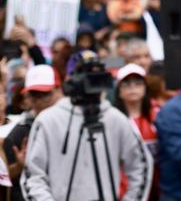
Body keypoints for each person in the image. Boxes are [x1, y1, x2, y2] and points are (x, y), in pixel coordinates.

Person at [21, 52, 153, 200]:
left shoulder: (116, 119)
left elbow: (141, 166)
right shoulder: (48, 121)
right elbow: (32, 177)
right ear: (70, 80)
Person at [3, 65, 62, 201]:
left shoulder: (73, 124)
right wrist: (19, 167)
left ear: (59, 90)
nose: (41, 101)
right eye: (35, 95)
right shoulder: (18, 133)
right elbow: (4, 179)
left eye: (46, 94)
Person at [113, 63, 160, 200]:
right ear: (119, 91)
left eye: (138, 83)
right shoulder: (114, 121)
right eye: (126, 84)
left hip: (158, 186)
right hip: (129, 189)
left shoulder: (157, 116)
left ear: (146, 88)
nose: (132, 88)